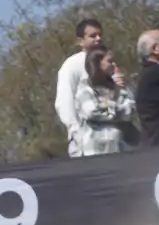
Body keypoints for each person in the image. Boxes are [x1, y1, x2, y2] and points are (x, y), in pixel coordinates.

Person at [54, 19, 128, 157]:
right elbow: (65, 101)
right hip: (87, 142)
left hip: (116, 141)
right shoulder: (72, 65)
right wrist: (75, 130)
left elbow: (125, 102)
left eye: (100, 35)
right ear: (80, 41)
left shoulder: (110, 64)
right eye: (93, 36)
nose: (98, 39)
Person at [74, 45, 137, 155]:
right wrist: (118, 110)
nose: (114, 65)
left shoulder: (119, 86)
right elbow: (92, 111)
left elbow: (131, 110)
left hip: (122, 147)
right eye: (109, 61)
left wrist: (109, 103)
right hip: (96, 150)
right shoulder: (85, 87)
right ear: (98, 63)